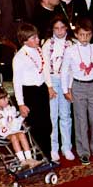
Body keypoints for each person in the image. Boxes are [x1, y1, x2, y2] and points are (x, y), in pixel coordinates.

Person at [61, 18, 93, 166]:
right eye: (81, 35)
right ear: (76, 35)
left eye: (87, 35)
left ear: (91, 35)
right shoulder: (70, 50)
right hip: (78, 87)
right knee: (81, 120)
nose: (84, 38)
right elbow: (65, 71)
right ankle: (83, 151)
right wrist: (66, 89)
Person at [12, 23, 53, 161]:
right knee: (35, 127)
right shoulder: (19, 57)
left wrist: (49, 86)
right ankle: (38, 157)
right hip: (29, 92)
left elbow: (45, 70)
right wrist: (21, 104)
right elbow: (16, 82)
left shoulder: (39, 50)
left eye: (37, 36)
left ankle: (47, 155)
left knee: (47, 124)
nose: (37, 40)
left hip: (41, 90)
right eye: (33, 38)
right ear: (24, 40)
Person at [41, 16, 75, 161]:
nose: (60, 31)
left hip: (66, 82)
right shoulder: (48, 44)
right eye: (56, 28)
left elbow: (73, 68)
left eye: (62, 28)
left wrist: (69, 87)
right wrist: (49, 86)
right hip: (53, 81)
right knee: (52, 116)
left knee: (65, 115)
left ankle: (66, 147)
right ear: (52, 29)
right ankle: (53, 147)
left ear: (67, 27)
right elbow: (45, 67)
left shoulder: (72, 43)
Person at [0, 86, 42, 169]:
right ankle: (22, 160)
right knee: (14, 137)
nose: (7, 100)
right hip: (1, 134)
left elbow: (14, 123)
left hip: (12, 130)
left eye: (6, 98)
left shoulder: (10, 109)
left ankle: (29, 158)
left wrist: (22, 116)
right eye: (4, 99)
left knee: (22, 134)